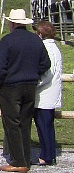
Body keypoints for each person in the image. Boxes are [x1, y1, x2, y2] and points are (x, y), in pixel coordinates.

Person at [0, 9, 50, 172]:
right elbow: (45, 63)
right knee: (25, 122)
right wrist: (33, 73)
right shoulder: (35, 40)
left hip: (10, 86)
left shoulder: (7, 40)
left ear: (12, 23)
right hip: (30, 85)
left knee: (12, 123)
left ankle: (18, 161)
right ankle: (25, 158)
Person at [33, 21, 62, 166]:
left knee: (44, 126)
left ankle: (47, 155)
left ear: (40, 34)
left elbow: (47, 73)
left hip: (45, 94)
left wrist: (34, 84)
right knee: (46, 125)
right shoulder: (54, 47)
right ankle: (48, 153)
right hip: (50, 93)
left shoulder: (47, 49)